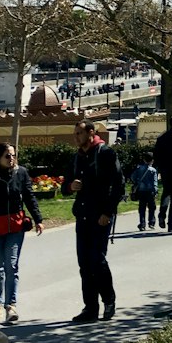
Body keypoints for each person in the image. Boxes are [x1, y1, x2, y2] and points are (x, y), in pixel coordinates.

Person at [0, 141, 44, 323]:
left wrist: (38, 219)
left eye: (13, 155)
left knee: (11, 266)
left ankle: (11, 306)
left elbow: (29, 196)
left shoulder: (21, 173)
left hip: (15, 227)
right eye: (7, 155)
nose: (11, 158)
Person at [61, 120, 124, 323]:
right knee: (84, 264)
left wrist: (108, 212)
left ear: (91, 132)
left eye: (79, 133)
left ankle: (109, 300)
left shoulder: (106, 154)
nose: (76, 137)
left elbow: (118, 185)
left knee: (97, 260)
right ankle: (90, 308)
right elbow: (64, 186)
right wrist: (71, 186)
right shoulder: (77, 157)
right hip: (83, 215)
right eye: (75, 134)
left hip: (101, 216)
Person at [130, 150, 159, 231]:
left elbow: (132, 177)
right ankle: (151, 223)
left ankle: (142, 224)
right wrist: (155, 191)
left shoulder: (139, 168)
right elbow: (155, 182)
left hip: (141, 191)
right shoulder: (153, 170)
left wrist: (137, 181)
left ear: (144, 160)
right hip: (150, 191)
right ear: (152, 160)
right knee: (152, 207)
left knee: (142, 208)